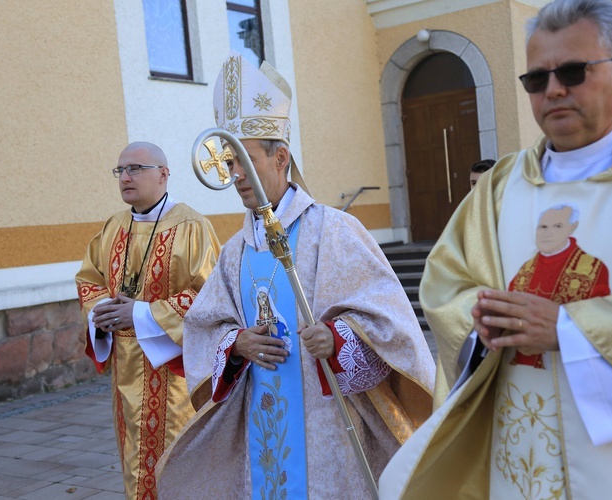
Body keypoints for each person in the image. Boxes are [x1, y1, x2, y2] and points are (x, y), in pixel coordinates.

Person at [380, 0, 612, 498]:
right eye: (537, 79)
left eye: (574, 71)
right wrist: (480, 320)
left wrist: (569, 329)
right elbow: (447, 285)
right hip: (516, 460)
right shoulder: (499, 187)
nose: (554, 89)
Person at [156, 51, 436, 499]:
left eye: (244, 162)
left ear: (280, 156)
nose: (236, 176)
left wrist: (341, 338)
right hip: (262, 417)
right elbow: (203, 328)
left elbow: (391, 318)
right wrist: (237, 343)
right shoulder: (235, 252)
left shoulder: (334, 230)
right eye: (229, 165)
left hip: (327, 423)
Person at [75, 141, 221, 499]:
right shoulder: (113, 227)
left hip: (173, 373)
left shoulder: (191, 226)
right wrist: (101, 311)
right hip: (126, 370)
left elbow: (210, 296)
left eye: (136, 169)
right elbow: (89, 280)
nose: (125, 177)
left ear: (163, 174)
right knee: (133, 458)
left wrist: (140, 313)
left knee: (175, 462)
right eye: (120, 170)